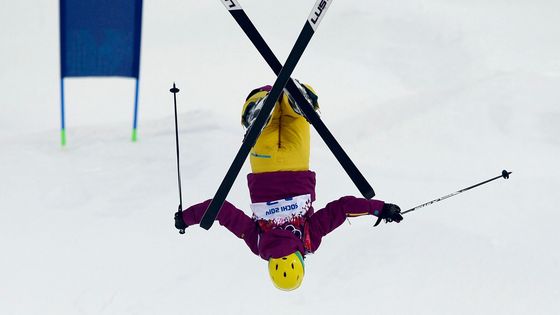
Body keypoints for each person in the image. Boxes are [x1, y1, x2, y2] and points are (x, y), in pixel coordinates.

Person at [174, 81, 403, 291]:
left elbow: (342, 209)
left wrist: (378, 208)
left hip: (297, 164)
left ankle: (297, 104)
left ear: (301, 262)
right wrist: (187, 218)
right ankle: (260, 107)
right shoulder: (259, 242)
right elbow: (223, 212)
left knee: (297, 119)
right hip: (264, 166)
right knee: (264, 120)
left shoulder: (308, 239)